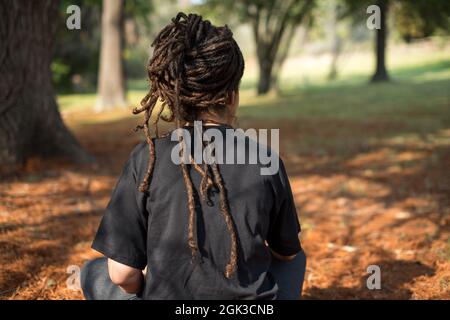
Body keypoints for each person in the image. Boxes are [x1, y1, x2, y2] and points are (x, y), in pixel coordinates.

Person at [81, 12, 306, 300]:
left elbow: (122, 275)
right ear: (231, 96)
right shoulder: (265, 158)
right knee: (296, 257)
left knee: (92, 271)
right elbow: (286, 253)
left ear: (173, 95)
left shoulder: (146, 159)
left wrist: (149, 287)